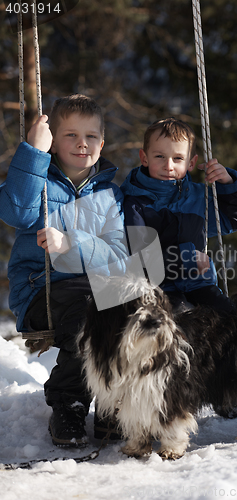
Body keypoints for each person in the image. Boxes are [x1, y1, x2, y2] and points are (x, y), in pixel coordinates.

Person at [0, 94, 128, 447]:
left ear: (102, 145)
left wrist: (73, 243)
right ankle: (69, 405)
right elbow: (15, 212)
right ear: (53, 141)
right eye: (70, 135)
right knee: (90, 313)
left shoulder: (111, 196)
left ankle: (111, 404)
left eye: (90, 136)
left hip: (95, 288)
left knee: (129, 311)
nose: (81, 143)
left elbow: (119, 254)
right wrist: (32, 152)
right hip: (42, 288)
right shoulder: (39, 179)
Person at [121, 117, 237, 313]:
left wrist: (228, 183)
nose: (169, 165)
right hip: (158, 289)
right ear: (144, 158)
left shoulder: (198, 197)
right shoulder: (135, 203)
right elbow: (140, 259)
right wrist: (186, 258)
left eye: (178, 158)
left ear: (191, 162)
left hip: (199, 285)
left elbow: (231, 219)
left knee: (232, 319)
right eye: (159, 157)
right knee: (184, 319)